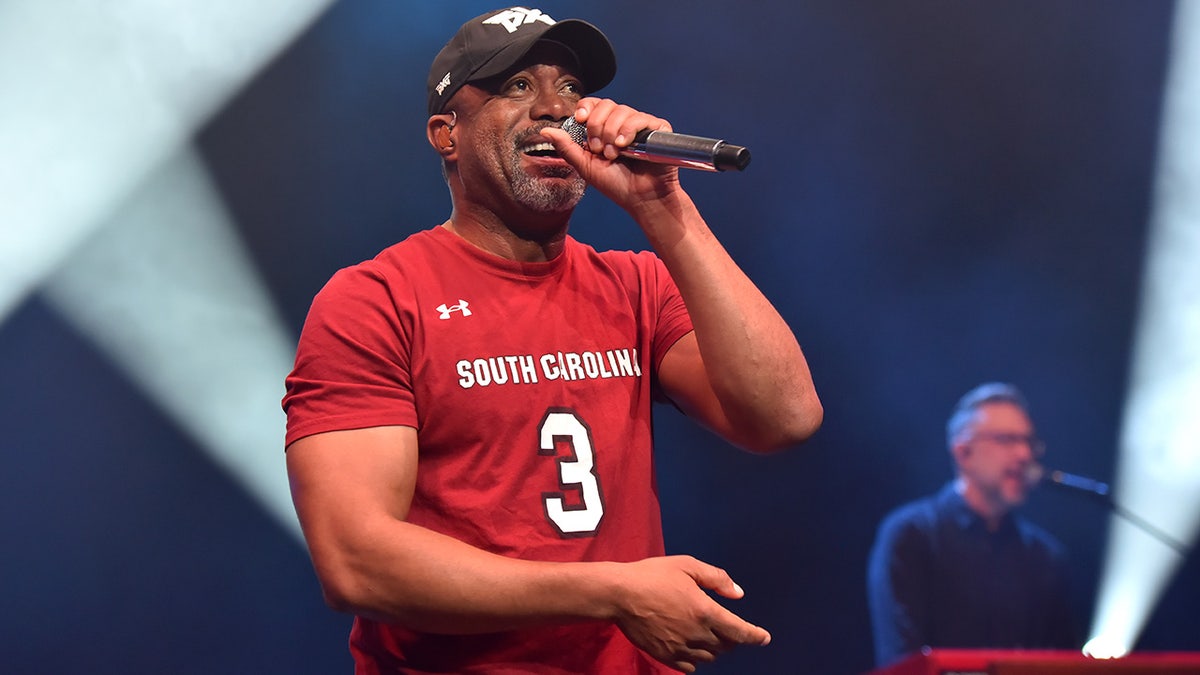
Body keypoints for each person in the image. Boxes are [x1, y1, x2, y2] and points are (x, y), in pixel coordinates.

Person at [282, 7, 822, 674]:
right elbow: (356, 564)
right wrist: (610, 591)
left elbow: (784, 416)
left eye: (570, 88)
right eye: (515, 87)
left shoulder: (635, 285)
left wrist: (663, 205)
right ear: (446, 134)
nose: (553, 110)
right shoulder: (376, 300)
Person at [866, 382, 1078, 667]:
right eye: (1007, 440)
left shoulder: (1045, 556)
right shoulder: (912, 535)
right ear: (963, 452)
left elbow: (1063, 665)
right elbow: (902, 662)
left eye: (1029, 442)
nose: (1024, 455)